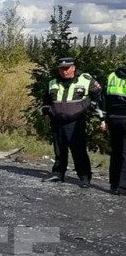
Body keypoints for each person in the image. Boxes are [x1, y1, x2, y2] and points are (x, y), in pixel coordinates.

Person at [41, 57, 103, 188]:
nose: (64, 71)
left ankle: (84, 177)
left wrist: (91, 106)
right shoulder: (52, 82)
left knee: (78, 150)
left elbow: (99, 94)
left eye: (67, 68)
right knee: (59, 149)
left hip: (76, 121)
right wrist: (46, 113)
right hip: (57, 120)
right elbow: (46, 100)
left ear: (73, 68)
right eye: (61, 69)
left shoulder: (85, 80)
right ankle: (58, 173)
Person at [105, 65, 126, 195]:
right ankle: (123, 187)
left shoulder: (112, 75)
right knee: (124, 153)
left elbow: (104, 98)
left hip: (113, 117)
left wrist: (105, 118)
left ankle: (114, 184)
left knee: (116, 151)